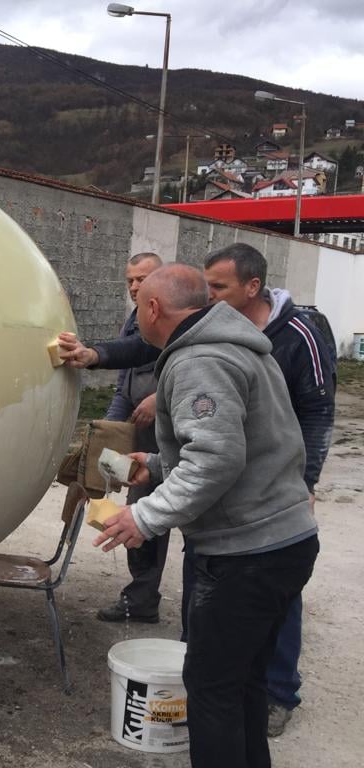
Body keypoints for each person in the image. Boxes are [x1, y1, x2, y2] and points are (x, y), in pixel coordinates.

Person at [61, 244, 335, 736]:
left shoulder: (199, 360)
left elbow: (215, 460)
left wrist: (144, 517)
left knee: (212, 692)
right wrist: (156, 466)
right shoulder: (235, 343)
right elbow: (233, 447)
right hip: (281, 541)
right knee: (245, 687)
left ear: (152, 309)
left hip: (247, 553)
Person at [203, 243, 335, 736]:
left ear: (252, 286)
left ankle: (279, 691)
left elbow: (318, 411)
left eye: (219, 286)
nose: (209, 295)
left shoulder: (298, 335)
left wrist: (306, 480)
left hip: (280, 485)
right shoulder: (220, 326)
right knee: (228, 582)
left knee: (279, 584)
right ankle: (226, 675)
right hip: (236, 482)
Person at [67, 252, 169, 624]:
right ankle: (142, 597)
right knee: (135, 509)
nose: (135, 286)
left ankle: (155, 599)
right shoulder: (135, 320)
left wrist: (159, 399)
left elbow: (176, 368)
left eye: (143, 278)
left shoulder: (170, 322)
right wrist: (109, 432)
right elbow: (125, 383)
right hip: (141, 435)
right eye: (130, 280)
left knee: (156, 515)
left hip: (169, 440)